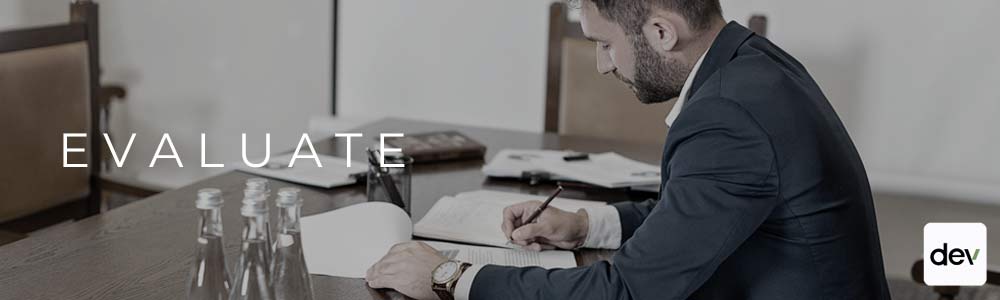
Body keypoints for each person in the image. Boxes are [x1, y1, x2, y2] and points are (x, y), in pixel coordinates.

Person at [366, 0, 892, 299]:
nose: (600, 64)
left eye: (604, 43)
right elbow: (700, 208)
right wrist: (585, 225)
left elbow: (627, 294)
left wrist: (449, 276)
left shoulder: (729, 114)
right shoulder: (750, 62)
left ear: (661, 31)